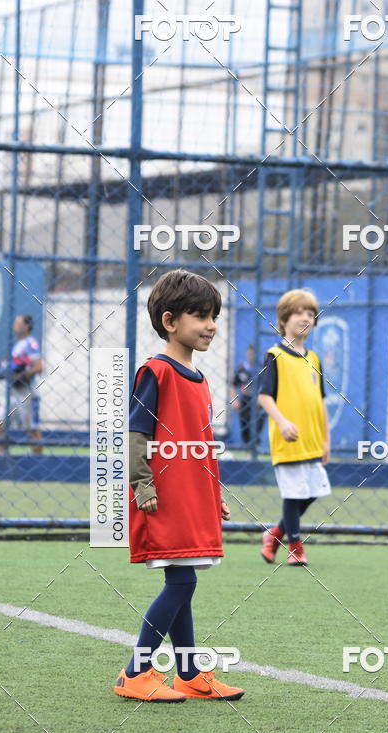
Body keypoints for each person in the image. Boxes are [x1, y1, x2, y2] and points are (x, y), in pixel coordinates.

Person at [114, 269, 245, 702]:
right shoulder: (155, 372)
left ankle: (189, 673)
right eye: (199, 315)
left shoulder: (202, 380)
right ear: (170, 321)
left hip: (194, 497)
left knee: (183, 579)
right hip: (162, 498)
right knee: (182, 582)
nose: (210, 325)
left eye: (214, 316)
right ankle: (136, 672)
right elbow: (136, 435)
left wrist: (214, 494)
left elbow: (201, 444)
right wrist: (141, 484)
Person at [258, 288, 331, 567]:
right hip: (288, 439)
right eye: (299, 312)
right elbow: (264, 396)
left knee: (313, 491)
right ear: (284, 319)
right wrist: (282, 421)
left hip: (312, 440)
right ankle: (295, 546)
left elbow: (321, 401)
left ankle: (275, 533)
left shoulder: (314, 359)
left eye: (311, 314)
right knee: (293, 493)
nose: (306, 318)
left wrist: (326, 440)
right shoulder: (274, 355)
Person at [0, 314, 43, 454]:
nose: (14, 324)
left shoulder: (30, 343)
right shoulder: (18, 345)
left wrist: (21, 374)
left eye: (18, 322)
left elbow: (38, 367)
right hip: (12, 390)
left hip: (26, 391)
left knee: (32, 429)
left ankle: (39, 461)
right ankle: (2, 457)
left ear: (26, 326)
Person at [230, 344, 265, 446]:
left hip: (257, 401)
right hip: (245, 401)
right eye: (249, 354)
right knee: (245, 426)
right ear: (246, 354)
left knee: (257, 425)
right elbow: (233, 385)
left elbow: (266, 385)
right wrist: (234, 400)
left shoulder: (261, 369)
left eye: (253, 354)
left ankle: (255, 447)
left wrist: (261, 397)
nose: (251, 356)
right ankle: (247, 447)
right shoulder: (240, 369)